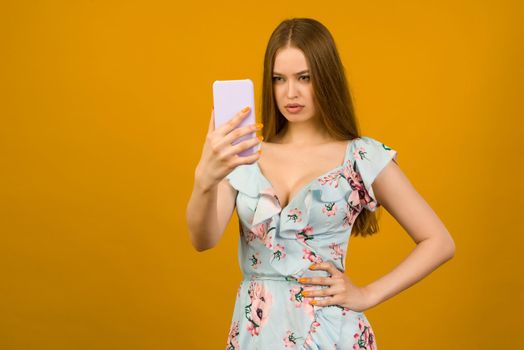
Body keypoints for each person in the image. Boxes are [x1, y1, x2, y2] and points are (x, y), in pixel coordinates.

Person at [186, 17, 455, 350]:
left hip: (330, 333)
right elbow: (203, 239)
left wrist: (368, 294)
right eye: (278, 79)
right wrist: (205, 179)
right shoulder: (246, 155)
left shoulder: (360, 156)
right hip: (255, 334)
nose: (290, 92)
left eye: (305, 78)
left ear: (326, 78)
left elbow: (439, 241)